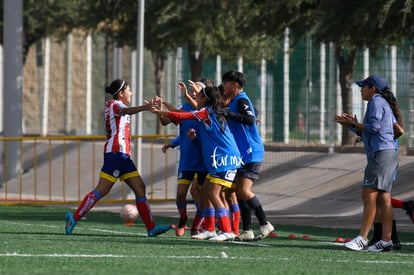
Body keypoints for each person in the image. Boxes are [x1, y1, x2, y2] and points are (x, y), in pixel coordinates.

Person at [65, 79, 171, 237]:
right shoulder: (115, 105)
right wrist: (145, 107)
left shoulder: (116, 105)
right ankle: (73, 218)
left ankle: (151, 227)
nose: (132, 93)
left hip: (123, 157)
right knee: (102, 189)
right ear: (121, 94)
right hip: (115, 154)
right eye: (129, 90)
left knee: (140, 188)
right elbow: (125, 112)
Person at [152, 86, 242, 241]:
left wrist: (158, 111)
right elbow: (182, 114)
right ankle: (210, 229)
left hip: (224, 159)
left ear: (205, 99)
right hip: (221, 159)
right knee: (207, 191)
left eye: (198, 96)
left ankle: (228, 230)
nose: (196, 99)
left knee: (214, 193)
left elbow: (181, 117)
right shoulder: (213, 112)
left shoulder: (206, 112)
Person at [335, 75, 398, 252]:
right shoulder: (380, 102)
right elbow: (372, 130)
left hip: (381, 155)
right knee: (384, 198)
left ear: (374, 89)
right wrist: (352, 125)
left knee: (368, 195)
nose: (362, 90)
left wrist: (354, 123)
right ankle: (386, 241)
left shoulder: (376, 102)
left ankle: (362, 238)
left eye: (364, 87)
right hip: (388, 153)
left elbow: (373, 127)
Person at [221, 70, 274, 241]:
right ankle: (247, 230)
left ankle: (265, 223)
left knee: (243, 190)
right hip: (241, 153)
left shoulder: (241, 99)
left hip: (251, 151)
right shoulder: (236, 100)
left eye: (226, 83)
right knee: (238, 191)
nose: (223, 86)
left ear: (235, 86)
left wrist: (229, 113)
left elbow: (250, 119)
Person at [159, 79, 213, 237]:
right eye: (192, 89)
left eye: (197, 89)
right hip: (187, 160)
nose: (194, 91)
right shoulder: (184, 107)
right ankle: (183, 218)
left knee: (202, 195)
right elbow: (165, 121)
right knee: (181, 194)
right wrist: (159, 109)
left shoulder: (206, 111)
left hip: (203, 160)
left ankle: (198, 226)